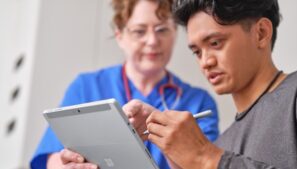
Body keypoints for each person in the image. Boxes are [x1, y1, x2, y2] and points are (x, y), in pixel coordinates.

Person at [30, 0, 220, 169]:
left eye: (162, 30)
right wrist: (64, 164)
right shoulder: (86, 87)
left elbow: (204, 165)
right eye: (139, 31)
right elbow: (49, 157)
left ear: (175, 34)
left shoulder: (198, 101)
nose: (153, 41)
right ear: (120, 36)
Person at [124, 0, 297, 168]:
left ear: (261, 33)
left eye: (215, 43)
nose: (205, 62)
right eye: (197, 52)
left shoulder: (296, 95)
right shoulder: (222, 144)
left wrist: (204, 158)